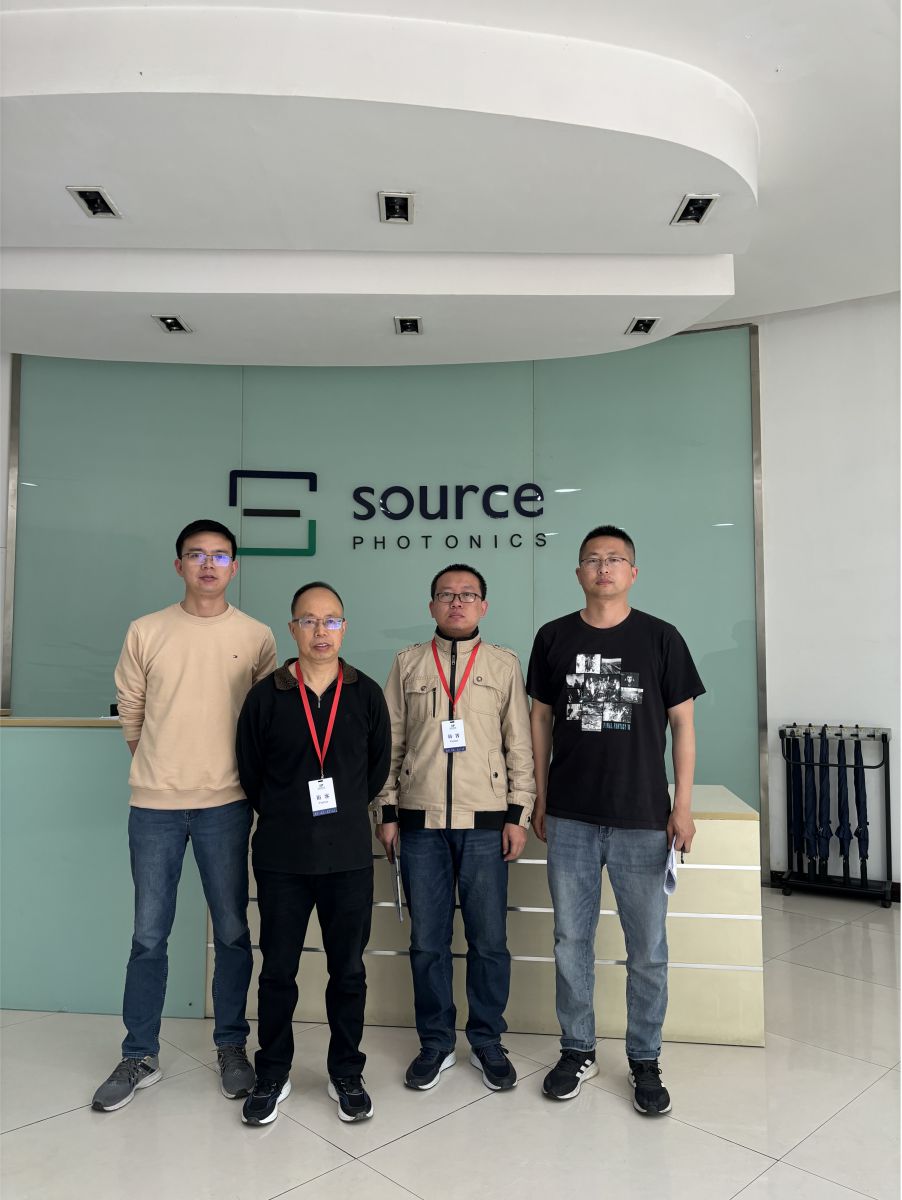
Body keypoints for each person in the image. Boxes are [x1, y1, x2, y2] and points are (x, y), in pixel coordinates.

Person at [92, 520, 277, 1112]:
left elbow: (264, 721)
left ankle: (231, 1046)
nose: (208, 564)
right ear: (179, 566)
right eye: (196, 555)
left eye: (219, 556)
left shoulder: (256, 635)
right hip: (155, 806)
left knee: (233, 931)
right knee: (149, 935)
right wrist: (159, 762)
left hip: (227, 803)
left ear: (234, 567)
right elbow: (132, 707)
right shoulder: (146, 630)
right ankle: (139, 1054)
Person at [527, 525, 704, 1115]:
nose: (603, 568)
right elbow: (540, 722)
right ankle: (577, 1048)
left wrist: (681, 805)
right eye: (593, 560)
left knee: (647, 948)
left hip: (642, 818)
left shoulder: (661, 637)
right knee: (570, 940)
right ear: (578, 572)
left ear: (633, 572)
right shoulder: (553, 637)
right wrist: (541, 795)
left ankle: (645, 1059)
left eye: (615, 559)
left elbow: (683, 724)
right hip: (571, 817)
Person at [374, 564, 535, 1092]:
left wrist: (518, 814)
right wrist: (387, 811)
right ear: (432, 606)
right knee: (427, 942)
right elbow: (390, 744)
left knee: (489, 941)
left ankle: (487, 1039)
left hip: (486, 825)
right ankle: (436, 1042)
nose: (457, 602)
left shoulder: (504, 664)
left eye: (468, 595)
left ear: (484, 605)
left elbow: (520, 746)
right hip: (420, 825)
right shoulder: (407, 663)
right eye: (446, 594)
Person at [236, 582, 391, 1126]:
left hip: (347, 857)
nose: (320, 631)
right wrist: (287, 813)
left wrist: (340, 812)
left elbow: (376, 769)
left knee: (347, 972)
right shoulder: (266, 696)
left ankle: (345, 1071)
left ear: (344, 628)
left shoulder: (366, 693)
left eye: (331, 620)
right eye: (309, 620)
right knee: (277, 972)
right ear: (292, 628)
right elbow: (251, 772)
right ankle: (272, 1072)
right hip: (282, 857)